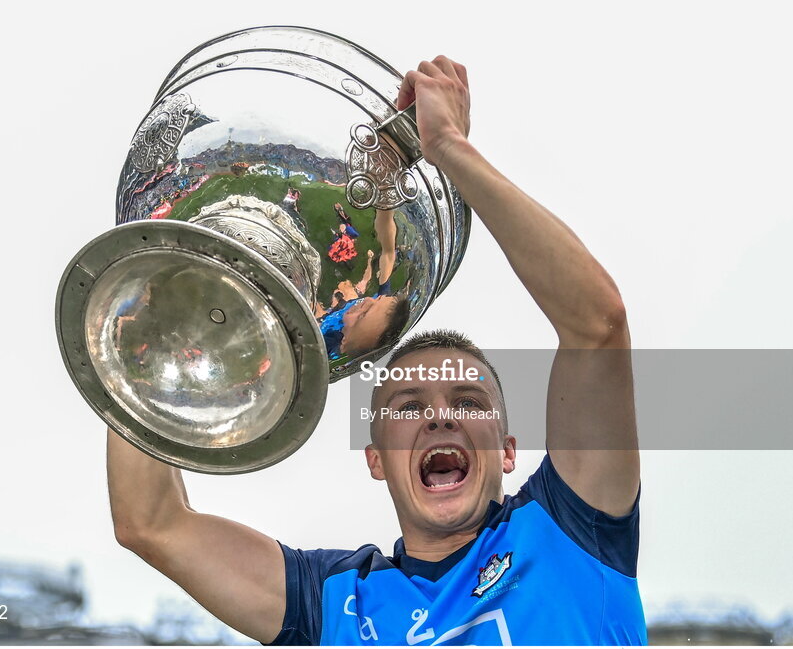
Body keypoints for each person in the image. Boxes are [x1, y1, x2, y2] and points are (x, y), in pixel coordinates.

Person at [107, 56, 641, 644]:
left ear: (508, 450)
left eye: (467, 402)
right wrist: (164, 306)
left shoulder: (569, 533)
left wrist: (448, 148)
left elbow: (597, 325)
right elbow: (152, 523)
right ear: (376, 458)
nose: (440, 417)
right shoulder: (333, 600)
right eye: (408, 407)